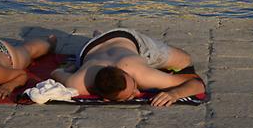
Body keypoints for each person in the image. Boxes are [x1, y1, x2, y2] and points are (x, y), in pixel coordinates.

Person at [51, 29, 205, 107]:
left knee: (185, 60)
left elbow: (197, 83)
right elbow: (56, 73)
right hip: (90, 47)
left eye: (133, 87)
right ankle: (99, 34)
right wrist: (70, 71)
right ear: (105, 99)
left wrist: (175, 93)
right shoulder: (78, 83)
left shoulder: (141, 74)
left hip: (128, 38)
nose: (138, 92)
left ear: (124, 73)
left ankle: (101, 34)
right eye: (132, 94)